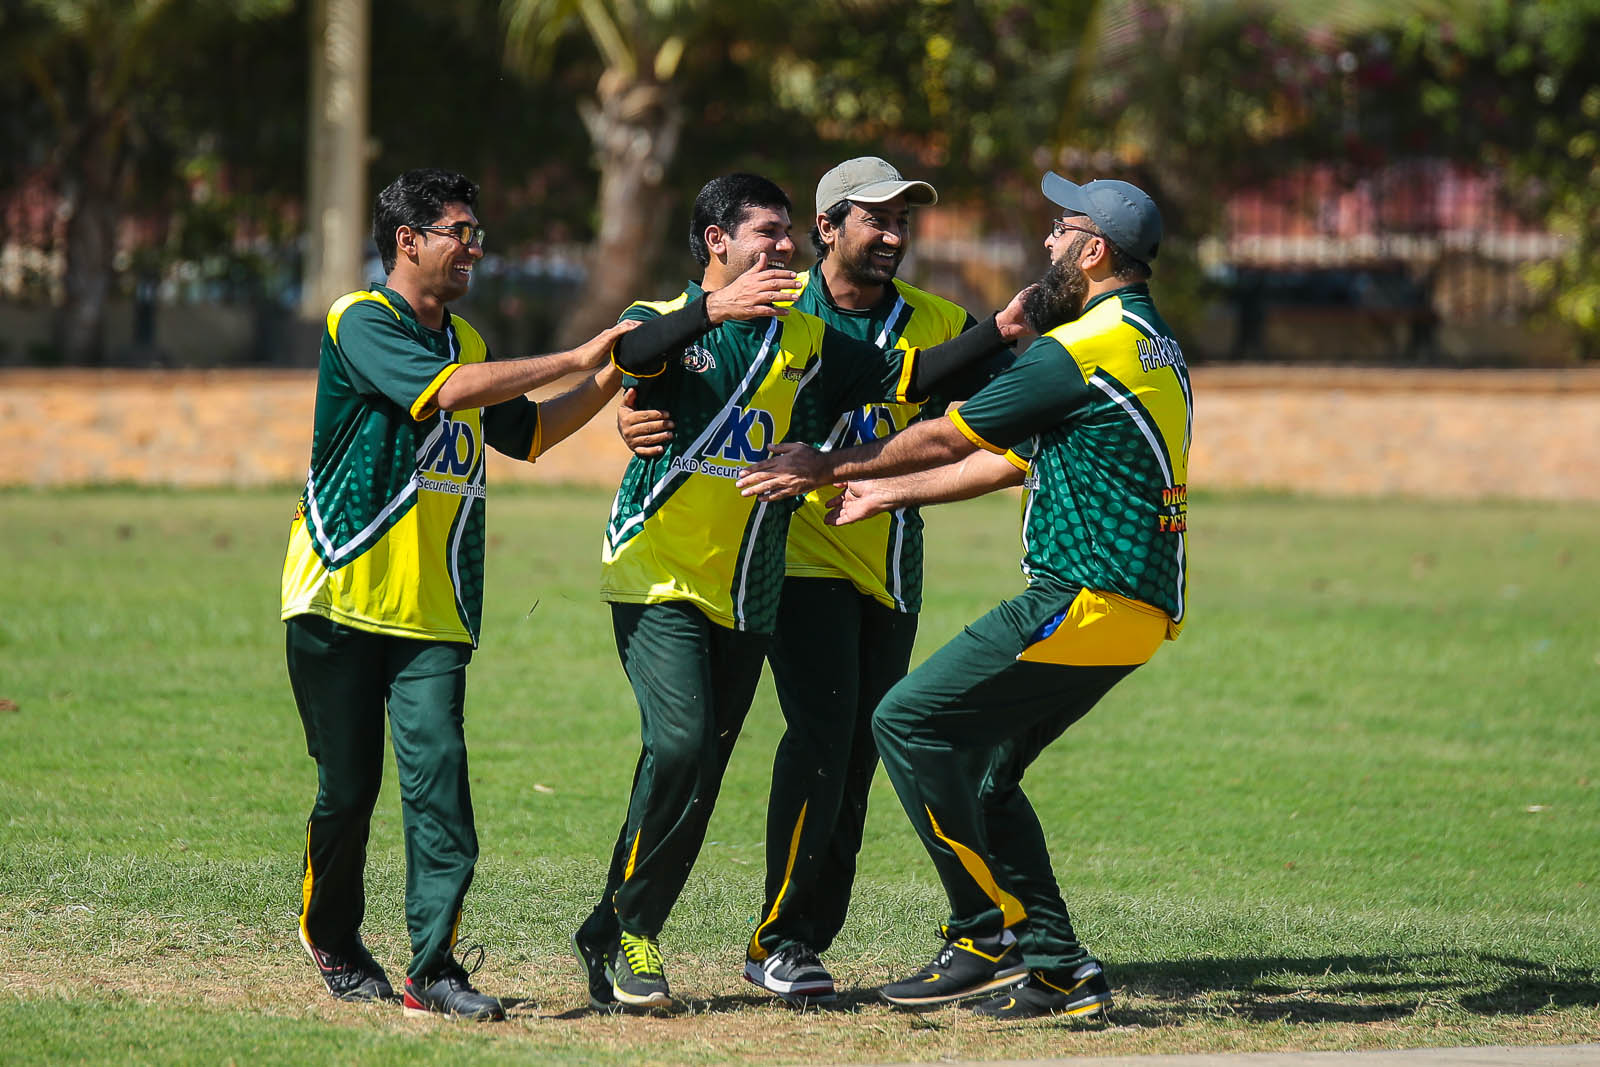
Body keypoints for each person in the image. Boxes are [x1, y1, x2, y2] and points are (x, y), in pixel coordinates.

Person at [570, 172, 1028, 1011]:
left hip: (751, 585)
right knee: (684, 747)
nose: (782, 247)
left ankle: (621, 929)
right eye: (767, 233)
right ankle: (645, 931)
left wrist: (999, 329)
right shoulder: (666, 315)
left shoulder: (805, 336)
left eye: (785, 234)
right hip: (661, 574)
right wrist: (707, 318)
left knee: (709, 765)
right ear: (718, 241)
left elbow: (902, 375)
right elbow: (631, 356)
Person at [738, 173, 1190, 1020]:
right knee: (985, 776)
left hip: (1084, 595)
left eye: (1061, 229)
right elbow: (1012, 458)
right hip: (1133, 609)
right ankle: (1059, 970)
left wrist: (828, 465)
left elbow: (952, 433)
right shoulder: (1150, 340)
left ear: (1094, 251)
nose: (1048, 242)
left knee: (907, 722)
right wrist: (889, 491)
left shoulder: (1082, 347)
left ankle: (987, 930)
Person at [281, 168, 636, 1021]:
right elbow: (443, 393)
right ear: (408, 241)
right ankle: (331, 934)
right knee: (347, 791)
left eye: (477, 233)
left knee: (440, 782)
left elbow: (534, 430)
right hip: (338, 598)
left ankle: (432, 968)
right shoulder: (360, 318)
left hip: (435, 612)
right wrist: (575, 352)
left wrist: (615, 374)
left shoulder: (469, 341)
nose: (474, 247)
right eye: (459, 232)